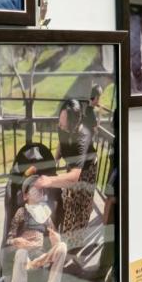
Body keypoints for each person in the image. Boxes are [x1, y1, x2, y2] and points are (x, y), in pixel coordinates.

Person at [34, 98, 98, 253]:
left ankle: (74, 245)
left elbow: (75, 176)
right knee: (69, 203)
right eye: (60, 122)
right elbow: (61, 144)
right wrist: (54, 161)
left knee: (81, 207)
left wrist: (50, 180)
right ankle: (66, 239)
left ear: (75, 124)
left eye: (64, 124)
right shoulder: (62, 127)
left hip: (86, 171)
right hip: (73, 167)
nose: (60, 126)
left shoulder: (83, 136)